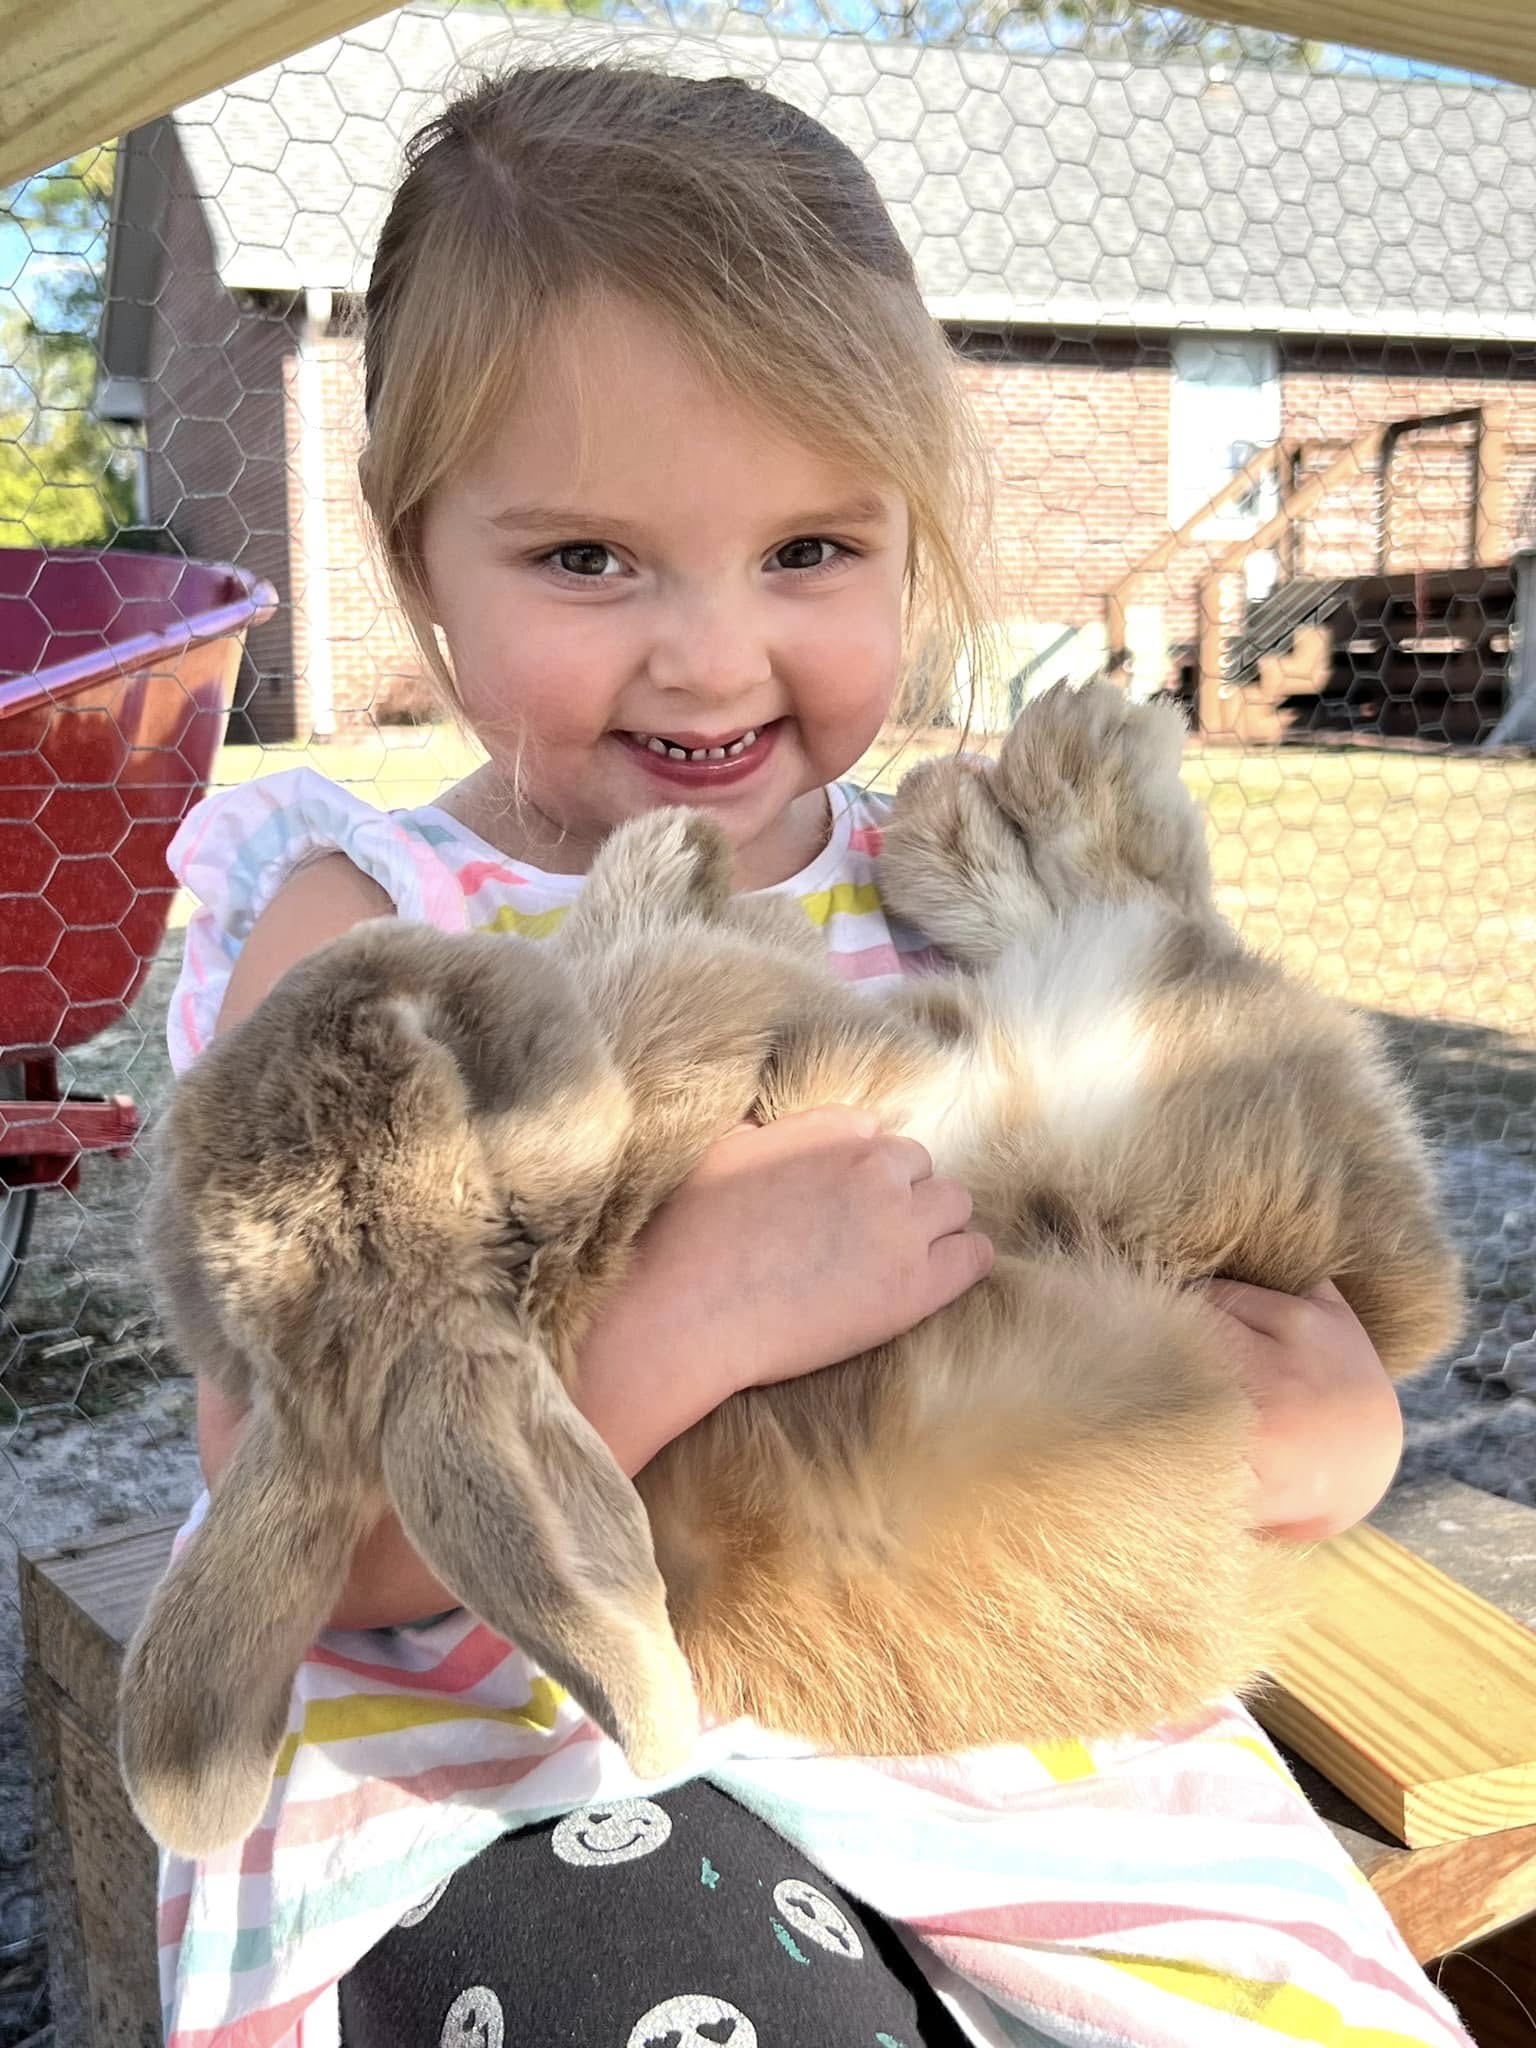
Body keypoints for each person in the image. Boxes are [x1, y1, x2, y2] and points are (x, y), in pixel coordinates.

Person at [160, 60, 1468, 2048]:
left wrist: (1334, 1426)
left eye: (810, 552)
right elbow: (308, 1535)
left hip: (1020, 1718)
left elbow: (1237, 1251)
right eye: (587, 560)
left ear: (909, 538)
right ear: (420, 559)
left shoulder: (968, 892)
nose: (709, 656)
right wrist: (687, 1316)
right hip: (535, 1743)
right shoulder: (369, 940)